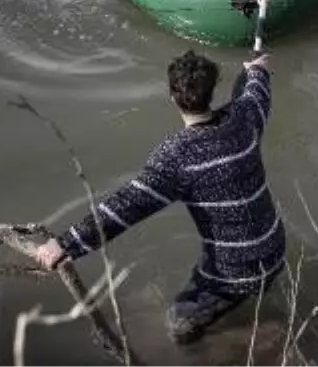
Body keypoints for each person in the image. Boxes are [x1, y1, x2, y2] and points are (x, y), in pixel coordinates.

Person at [33, 49, 284, 345]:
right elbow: (255, 93)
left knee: (179, 327)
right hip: (274, 249)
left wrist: (66, 244)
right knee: (226, 285)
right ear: (212, 90)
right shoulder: (245, 120)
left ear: (172, 98)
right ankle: (259, 310)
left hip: (233, 271)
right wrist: (256, 70)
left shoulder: (176, 156)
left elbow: (127, 206)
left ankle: (256, 336)